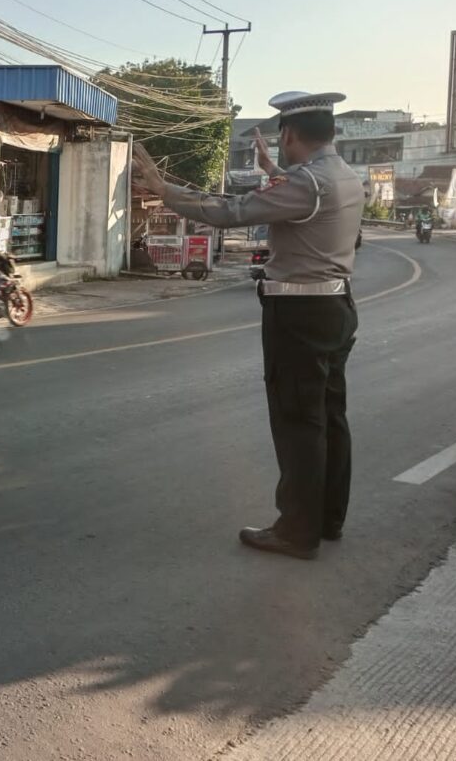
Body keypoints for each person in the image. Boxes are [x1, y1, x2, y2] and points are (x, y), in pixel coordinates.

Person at [132, 91, 364, 561]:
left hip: (299, 317)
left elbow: (231, 211)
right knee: (329, 418)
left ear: (290, 134)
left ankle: (297, 532)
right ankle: (326, 519)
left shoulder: (309, 184)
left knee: (298, 422)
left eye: (280, 135)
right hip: (335, 308)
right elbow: (297, 196)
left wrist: (164, 189)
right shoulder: (341, 176)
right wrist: (273, 174)